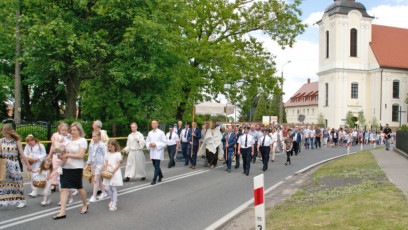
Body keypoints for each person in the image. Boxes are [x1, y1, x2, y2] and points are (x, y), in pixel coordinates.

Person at [53, 122, 88, 220]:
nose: (72, 132)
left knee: (79, 188)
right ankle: (62, 211)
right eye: (71, 130)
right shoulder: (68, 139)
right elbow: (64, 150)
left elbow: (81, 155)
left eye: (74, 130)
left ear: (79, 130)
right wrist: (61, 154)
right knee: (63, 188)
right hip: (66, 166)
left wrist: (67, 155)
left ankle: (85, 204)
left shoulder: (82, 140)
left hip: (76, 167)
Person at [0, 124, 32, 208]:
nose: (3, 133)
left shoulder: (16, 141)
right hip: (4, 163)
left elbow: (22, 154)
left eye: (4, 132)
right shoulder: (1, 141)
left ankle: (22, 200)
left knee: (17, 182)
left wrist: (28, 165)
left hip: (14, 163)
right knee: (4, 183)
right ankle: (5, 200)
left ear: (8, 132)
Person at [46, 122, 71, 192]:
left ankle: (64, 183)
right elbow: (53, 145)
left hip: (65, 154)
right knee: (54, 168)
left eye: (65, 130)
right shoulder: (56, 136)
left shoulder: (69, 136)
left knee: (64, 169)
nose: (64, 132)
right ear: (59, 129)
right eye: (62, 130)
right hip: (56, 154)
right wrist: (49, 154)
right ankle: (53, 184)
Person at [87, 130, 107, 202]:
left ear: (99, 137)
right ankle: (104, 192)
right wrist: (88, 162)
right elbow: (90, 154)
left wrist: (105, 164)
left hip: (100, 163)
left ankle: (94, 196)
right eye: (92, 136)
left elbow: (105, 154)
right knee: (98, 179)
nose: (93, 138)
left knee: (95, 179)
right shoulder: (92, 145)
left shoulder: (102, 145)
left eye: (95, 136)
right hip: (93, 163)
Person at [103, 139, 123, 211]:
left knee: (114, 188)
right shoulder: (107, 154)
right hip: (108, 171)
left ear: (115, 146)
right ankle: (113, 199)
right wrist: (105, 169)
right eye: (109, 147)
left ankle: (114, 203)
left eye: (111, 147)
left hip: (114, 171)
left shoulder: (118, 154)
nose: (110, 148)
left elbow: (118, 164)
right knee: (106, 188)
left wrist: (112, 171)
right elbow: (106, 162)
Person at [146, 120, 167, 185]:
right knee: (154, 165)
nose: (153, 124)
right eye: (152, 123)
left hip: (158, 151)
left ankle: (154, 179)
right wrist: (149, 144)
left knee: (157, 165)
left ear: (157, 124)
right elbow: (147, 141)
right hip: (152, 151)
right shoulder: (150, 133)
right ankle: (160, 175)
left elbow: (164, 142)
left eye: (154, 123)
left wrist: (156, 144)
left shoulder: (161, 133)